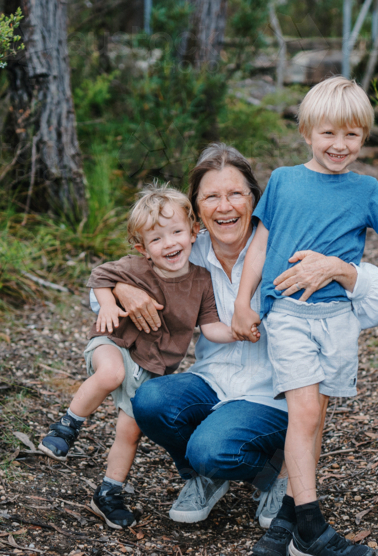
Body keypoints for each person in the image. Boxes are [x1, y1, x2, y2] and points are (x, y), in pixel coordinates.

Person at [103, 143, 378, 538]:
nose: (225, 207)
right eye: (211, 197)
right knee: (150, 402)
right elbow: (115, 277)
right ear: (196, 209)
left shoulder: (285, 246)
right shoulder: (187, 251)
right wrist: (122, 289)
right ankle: (204, 477)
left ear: (256, 200)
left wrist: (341, 270)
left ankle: (280, 473)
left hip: (272, 396)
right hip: (212, 379)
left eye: (236, 194)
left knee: (213, 448)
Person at [230, 76, 378, 556]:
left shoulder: (367, 189)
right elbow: (261, 246)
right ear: (307, 132)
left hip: (337, 319)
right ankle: (313, 529)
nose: (340, 146)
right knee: (306, 414)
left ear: (364, 137)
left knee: (315, 419)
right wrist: (243, 302)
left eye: (352, 136)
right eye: (329, 134)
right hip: (289, 312)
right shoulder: (285, 181)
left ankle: (285, 525)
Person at [38, 185, 234, 530]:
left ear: (194, 232)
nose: (169, 243)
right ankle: (67, 426)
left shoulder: (201, 280)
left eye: (176, 232)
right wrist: (111, 304)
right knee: (111, 373)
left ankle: (108, 494)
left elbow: (211, 326)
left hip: (152, 367)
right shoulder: (134, 267)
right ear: (142, 247)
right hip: (114, 342)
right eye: (156, 239)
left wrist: (239, 332)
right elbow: (99, 276)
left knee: (130, 430)